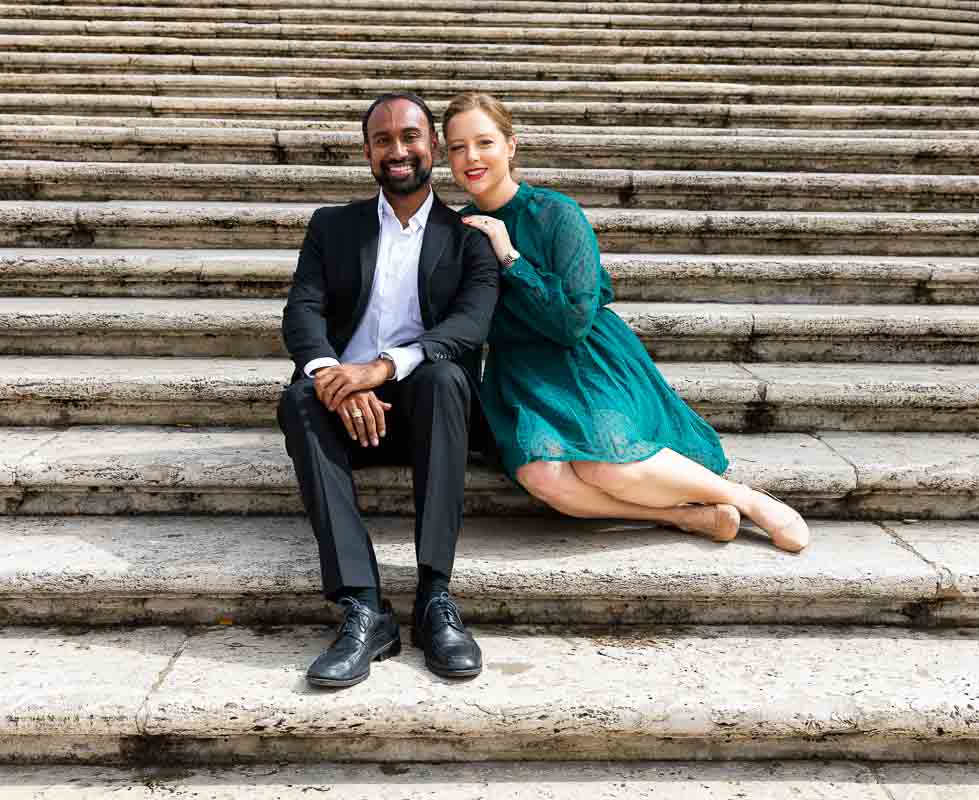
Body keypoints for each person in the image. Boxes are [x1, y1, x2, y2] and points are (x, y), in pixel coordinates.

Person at [442, 91, 810, 553]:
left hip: (585, 359)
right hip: (522, 375)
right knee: (544, 475)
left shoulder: (557, 214)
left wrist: (510, 257)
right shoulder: (456, 231)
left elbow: (573, 321)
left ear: (511, 146)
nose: (471, 157)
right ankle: (684, 517)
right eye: (457, 148)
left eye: (484, 142)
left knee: (604, 464)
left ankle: (747, 499)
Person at [278, 92, 499, 688]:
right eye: (383, 139)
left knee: (448, 376)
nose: (397, 150)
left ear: (433, 147)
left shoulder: (469, 238)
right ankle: (364, 609)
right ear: (368, 152)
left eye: (410, 136)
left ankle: (434, 599)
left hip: (427, 414)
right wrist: (333, 377)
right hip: (342, 411)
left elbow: (468, 327)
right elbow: (302, 312)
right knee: (298, 397)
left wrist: (379, 370)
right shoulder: (332, 226)